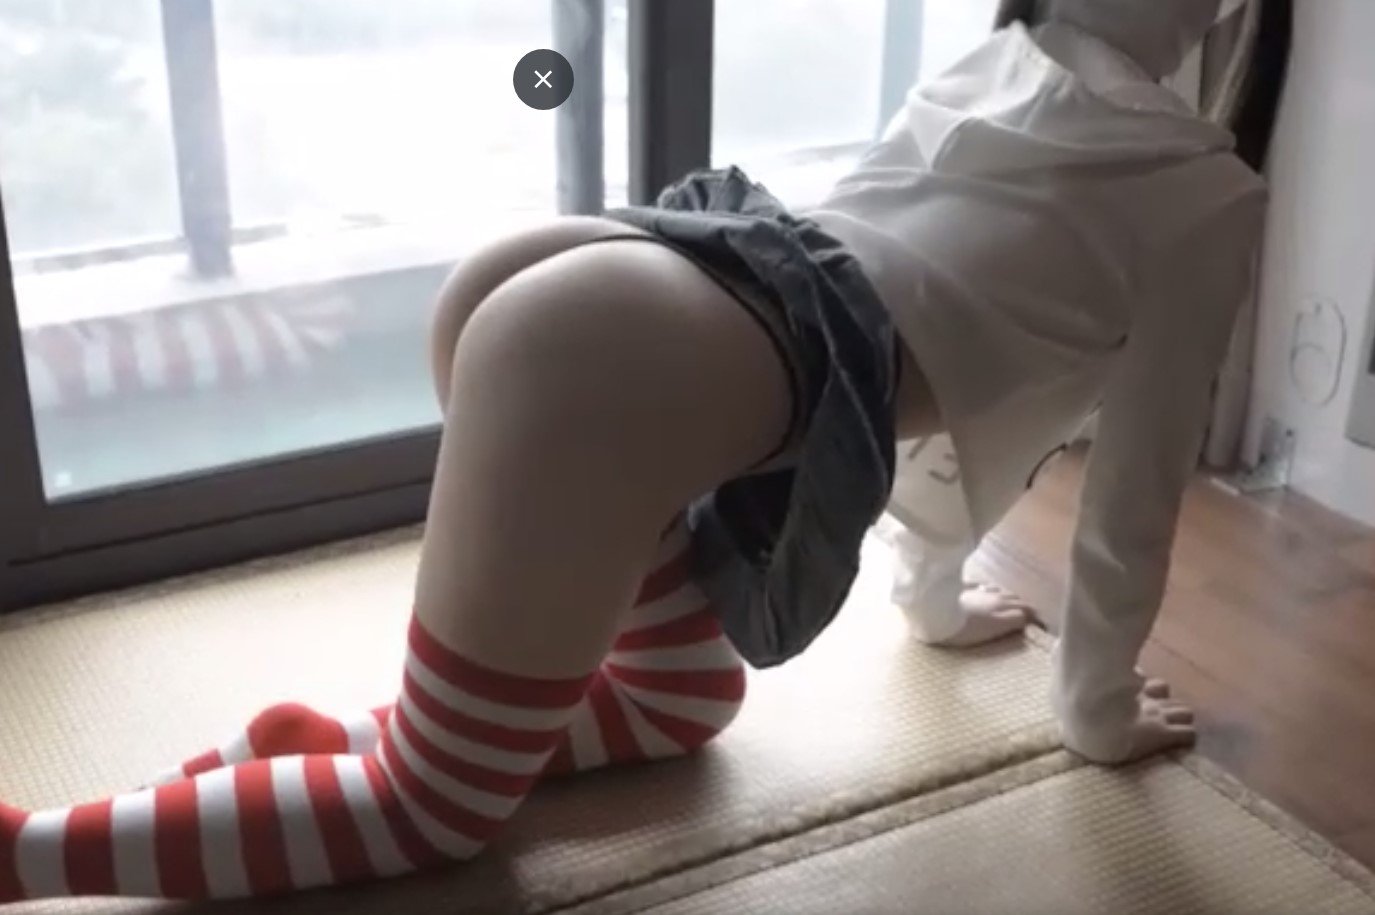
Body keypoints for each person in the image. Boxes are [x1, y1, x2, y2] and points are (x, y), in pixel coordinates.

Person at [0, 0, 1265, 902]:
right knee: (434, 811)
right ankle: (25, 853)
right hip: (606, 366)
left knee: (678, 705)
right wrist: (1094, 711)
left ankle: (333, 742)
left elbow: (939, 344)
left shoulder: (1004, 58)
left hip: (625, 271)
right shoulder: (1201, 197)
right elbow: (1132, 492)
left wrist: (933, 606)